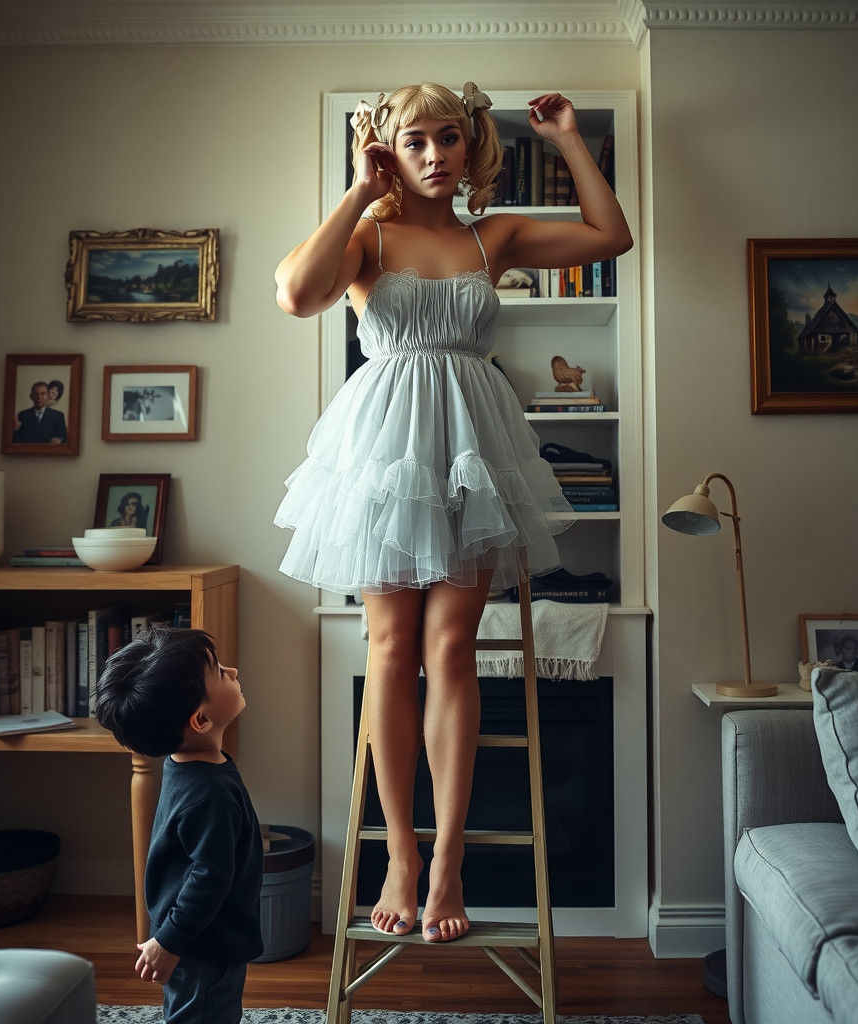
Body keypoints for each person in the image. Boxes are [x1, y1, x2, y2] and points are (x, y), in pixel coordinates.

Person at [273, 82, 632, 943]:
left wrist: (571, 139)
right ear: (389, 148)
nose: (434, 154)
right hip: (387, 458)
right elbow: (294, 294)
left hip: (473, 452)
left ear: (471, 147)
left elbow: (611, 235)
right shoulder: (367, 236)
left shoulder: (491, 234)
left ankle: (448, 860)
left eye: (449, 138)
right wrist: (359, 191)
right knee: (391, 648)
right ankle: (399, 851)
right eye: (415, 140)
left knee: (452, 650)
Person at [94, 627, 263, 1024]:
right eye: (220, 673)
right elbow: (208, 877)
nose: (234, 671)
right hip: (201, 944)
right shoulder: (210, 795)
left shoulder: (184, 767)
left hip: (196, 936)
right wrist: (169, 942)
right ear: (201, 720)